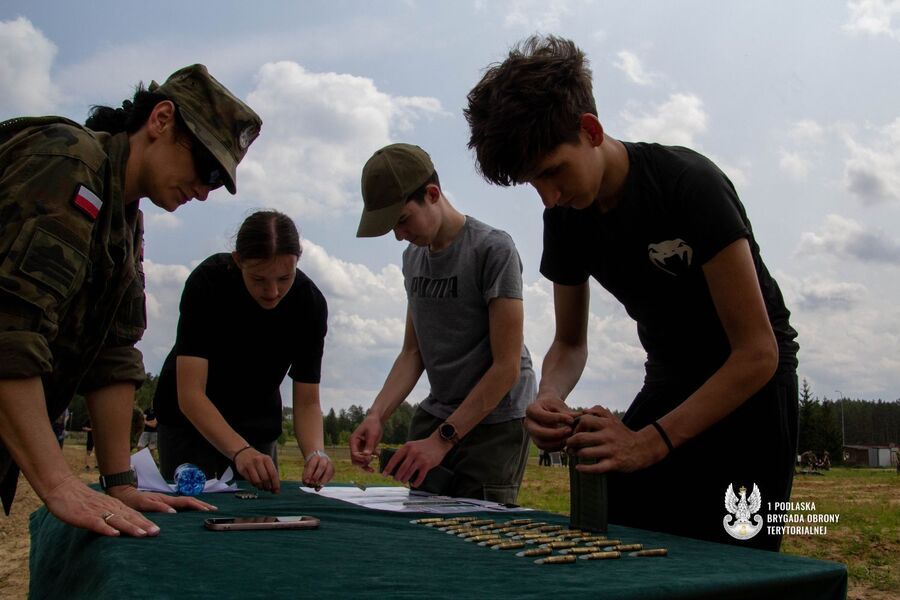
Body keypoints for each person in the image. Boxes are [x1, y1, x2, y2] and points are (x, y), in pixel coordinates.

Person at [464, 36, 799, 551]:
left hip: (752, 389)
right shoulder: (565, 216)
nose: (550, 197)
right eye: (535, 183)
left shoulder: (689, 183)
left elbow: (757, 352)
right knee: (619, 524)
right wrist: (548, 397)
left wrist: (648, 442)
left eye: (553, 171)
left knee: (737, 554)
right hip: (669, 376)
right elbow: (570, 344)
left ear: (591, 131)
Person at [0, 64, 262, 537]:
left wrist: (120, 483)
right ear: (161, 120)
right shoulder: (70, 161)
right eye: (205, 168)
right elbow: (8, 328)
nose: (204, 192)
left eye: (217, 183)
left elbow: (114, 354)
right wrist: (59, 482)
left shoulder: (123, 218)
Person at [349, 144, 536, 504]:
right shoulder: (413, 259)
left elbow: (506, 367)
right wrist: (377, 415)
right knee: (422, 524)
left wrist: (441, 441)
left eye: (402, 220)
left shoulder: (493, 250)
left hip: (495, 421)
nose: (399, 235)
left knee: (476, 530)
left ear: (432, 194)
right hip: (440, 411)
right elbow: (412, 352)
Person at [153, 211, 334, 493]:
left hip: (256, 424)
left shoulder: (308, 303)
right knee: (192, 510)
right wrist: (239, 451)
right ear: (238, 261)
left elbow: (308, 402)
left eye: (285, 278)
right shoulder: (208, 282)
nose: (273, 291)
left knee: (257, 512)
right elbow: (190, 393)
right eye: (259, 279)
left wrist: (316, 454)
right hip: (188, 425)